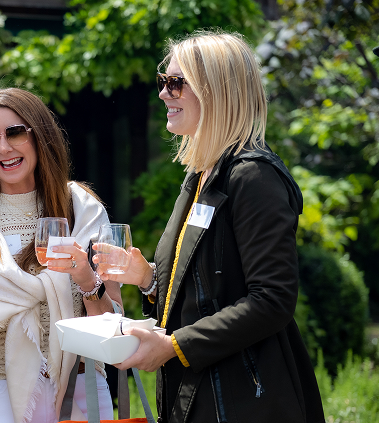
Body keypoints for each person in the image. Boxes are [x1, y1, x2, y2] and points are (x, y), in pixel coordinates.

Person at [96, 31, 325, 422]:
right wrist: (149, 278)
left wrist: (174, 345)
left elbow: (272, 299)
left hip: (242, 400)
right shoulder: (202, 175)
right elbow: (208, 288)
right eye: (163, 82)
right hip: (201, 391)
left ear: (216, 90)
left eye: (175, 83)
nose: (163, 94)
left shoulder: (253, 177)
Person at [0, 87, 122, 423]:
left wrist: (87, 280)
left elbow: (113, 328)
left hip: (81, 387)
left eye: (15, 132)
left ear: (40, 135)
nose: (4, 148)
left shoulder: (81, 209)